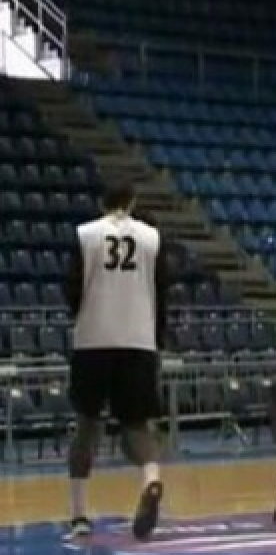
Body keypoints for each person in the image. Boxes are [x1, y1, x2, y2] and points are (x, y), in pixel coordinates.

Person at [63, 181, 169, 540]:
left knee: (87, 426)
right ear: (132, 202)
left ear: (102, 203)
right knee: (137, 427)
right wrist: (157, 339)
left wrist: (84, 317)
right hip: (138, 341)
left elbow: (72, 289)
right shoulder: (152, 238)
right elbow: (162, 294)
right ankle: (151, 479)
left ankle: (79, 516)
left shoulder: (85, 234)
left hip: (93, 340)